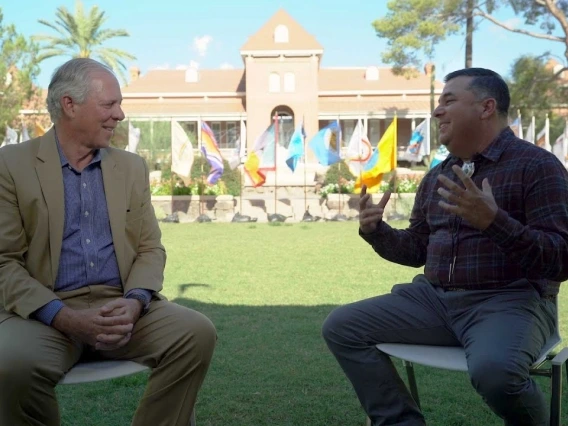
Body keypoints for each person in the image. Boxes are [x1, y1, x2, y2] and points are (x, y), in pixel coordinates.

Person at [322, 68, 568, 426]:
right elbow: (416, 250)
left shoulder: (537, 166)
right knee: (343, 326)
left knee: (496, 374)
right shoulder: (438, 174)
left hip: (510, 301)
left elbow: (561, 260)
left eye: (448, 101)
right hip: (433, 301)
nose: (437, 111)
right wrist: (377, 231)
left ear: (486, 107)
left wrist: (495, 223)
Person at [0, 58, 217, 426]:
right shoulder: (11, 164)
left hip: (122, 306)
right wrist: (64, 317)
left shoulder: (131, 167)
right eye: (109, 104)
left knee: (195, 333)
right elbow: (4, 262)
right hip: (45, 313)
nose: (120, 114)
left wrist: (135, 301)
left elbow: (150, 248)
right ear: (69, 105)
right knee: (10, 363)